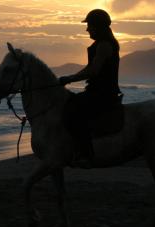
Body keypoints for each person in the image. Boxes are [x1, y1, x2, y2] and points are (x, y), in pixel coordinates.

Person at [59, 9, 122, 166]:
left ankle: (86, 153)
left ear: (98, 26)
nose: (87, 29)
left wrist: (70, 78)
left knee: (73, 113)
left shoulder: (104, 45)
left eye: (89, 25)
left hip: (103, 93)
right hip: (97, 91)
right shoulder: (101, 44)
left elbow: (93, 70)